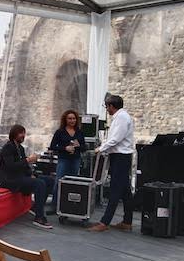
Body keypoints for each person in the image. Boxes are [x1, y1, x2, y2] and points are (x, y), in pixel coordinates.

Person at [88, 94, 135, 232]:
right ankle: (127, 221)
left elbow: (116, 138)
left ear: (111, 106)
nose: (106, 109)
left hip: (120, 157)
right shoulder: (121, 117)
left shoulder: (121, 117)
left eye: (107, 106)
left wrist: (100, 149)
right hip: (120, 156)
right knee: (125, 191)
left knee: (115, 190)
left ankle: (105, 222)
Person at [0, 124, 52, 229]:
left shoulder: (20, 148)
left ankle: (36, 207)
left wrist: (31, 174)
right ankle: (39, 217)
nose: (23, 135)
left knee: (49, 180)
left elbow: (24, 166)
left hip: (18, 177)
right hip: (8, 179)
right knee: (39, 183)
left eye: (24, 133)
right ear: (14, 134)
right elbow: (11, 166)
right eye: (20, 133)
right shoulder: (8, 147)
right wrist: (28, 160)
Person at [49, 109, 86, 212]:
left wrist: (78, 146)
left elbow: (84, 148)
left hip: (75, 160)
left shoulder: (79, 132)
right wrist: (65, 148)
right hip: (63, 160)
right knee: (59, 181)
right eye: (70, 118)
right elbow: (52, 146)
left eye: (74, 118)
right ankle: (54, 205)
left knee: (72, 182)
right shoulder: (60, 132)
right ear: (65, 120)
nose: (72, 120)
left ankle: (69, 205)